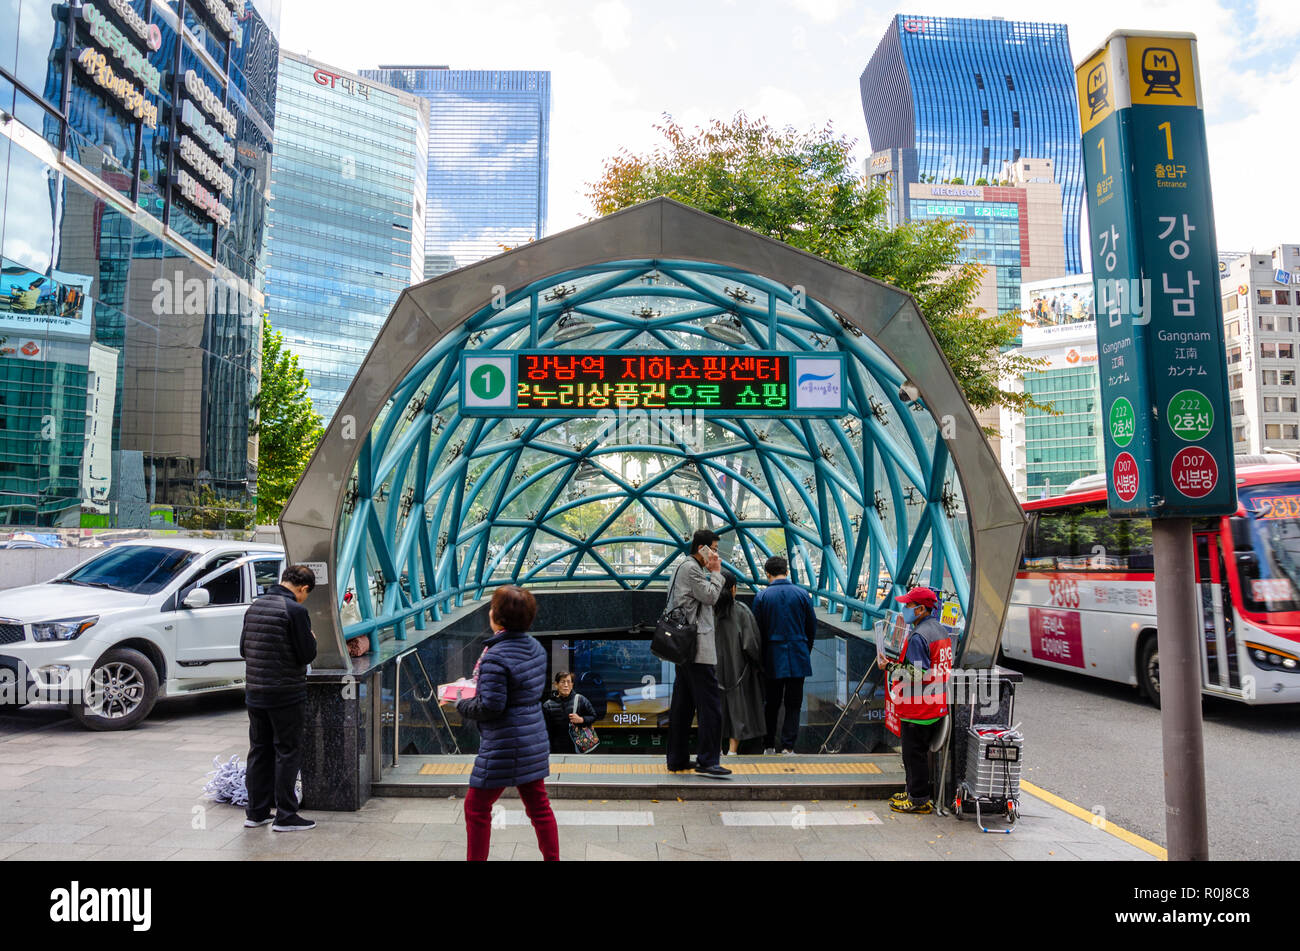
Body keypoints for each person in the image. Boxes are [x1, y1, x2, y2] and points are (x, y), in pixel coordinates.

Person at [453, 585, 559, 861]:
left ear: (496, 617)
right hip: (532, 736)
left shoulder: (495, 657)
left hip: (504, 742)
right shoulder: (535, 648)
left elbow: (491, 705)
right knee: (539, 806)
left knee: (476, 807)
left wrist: (459, 703)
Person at [239, 564, 318, 832]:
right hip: (285, 692)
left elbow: (243, 649)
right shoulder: (295, 610)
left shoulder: (255, 607)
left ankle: (256, 812)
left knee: (259, 751)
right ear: (303, 588)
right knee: (287, 751)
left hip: (255, 692)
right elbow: (306, 654)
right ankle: (285, 815)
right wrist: (311, 638)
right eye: (306, 594)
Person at [879, 587, 954, 815]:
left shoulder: (919, 636)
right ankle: (912, 791)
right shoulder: (939, 630)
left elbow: (917, 673)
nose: (905, 610)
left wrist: (889, 666)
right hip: (935, 702)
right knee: (914, 753)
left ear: (921, 609)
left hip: (918, 707)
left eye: (909, 606)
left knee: (914, 754)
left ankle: (919, 800)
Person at [664, 528, 730, 777]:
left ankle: (678, 758)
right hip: (697, 648)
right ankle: (708, 760)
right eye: (712, 548)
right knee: (710, 705)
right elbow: (711, 597)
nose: (714, 553)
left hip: (685, 648)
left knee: (683, 704)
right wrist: (716, 573)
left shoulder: (682, 566)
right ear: (701, 548)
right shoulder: (692, 568)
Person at [752, 556, 816, 754]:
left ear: (767, 574)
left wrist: (760, 658)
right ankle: (788, 747)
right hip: (798, 655)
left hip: (772, 657)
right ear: (787, 572)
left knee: (771, 703)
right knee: (794, 704)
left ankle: (768, 745)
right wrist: (805, 649)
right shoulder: (803, 594)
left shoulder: (762, 597)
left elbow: (757, 631)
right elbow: (811, 627)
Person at [713, 570, 765, 755]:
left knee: (714, 708)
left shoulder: (706, 609)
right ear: (734, 589)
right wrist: (758, 664)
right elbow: (752, 644)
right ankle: (733, 751)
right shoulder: (741, 611)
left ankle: (716, 749)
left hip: (711, 669)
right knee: (737, 707)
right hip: (739, 670)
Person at [542, 671, 597, 753]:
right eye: (563, 682)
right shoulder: (548, 705)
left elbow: (593, 716)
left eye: (568, 682)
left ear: (572, 685)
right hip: (555, 749)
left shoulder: (580, 700)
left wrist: (582, 719)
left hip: (577, 748)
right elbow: (544, 731)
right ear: (556, 685)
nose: (566, 685)